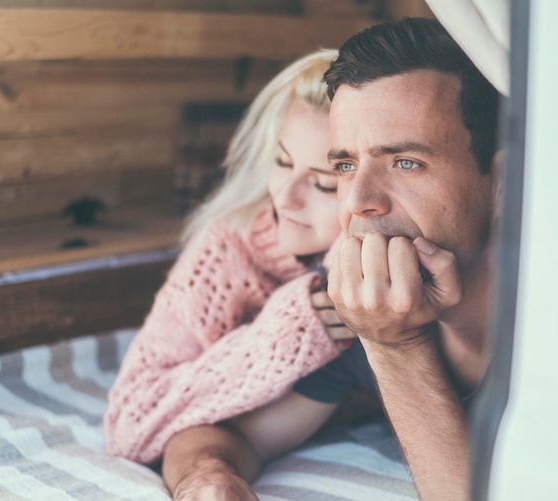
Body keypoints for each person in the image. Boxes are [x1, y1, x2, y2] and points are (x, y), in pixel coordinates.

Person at [104, 49, 362, 500]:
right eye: (282, 162)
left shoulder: (383, 250)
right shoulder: (228, 248)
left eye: (323, 183)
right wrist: (281, 335)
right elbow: (129, 424)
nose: (286, 197)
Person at [324, 18, 500, 501]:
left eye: (405, 163)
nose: (359, 200)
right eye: (345, 166)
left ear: (507, 183)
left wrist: (394, 347)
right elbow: (225, 431)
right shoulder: (350, 298)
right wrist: (208, 475)